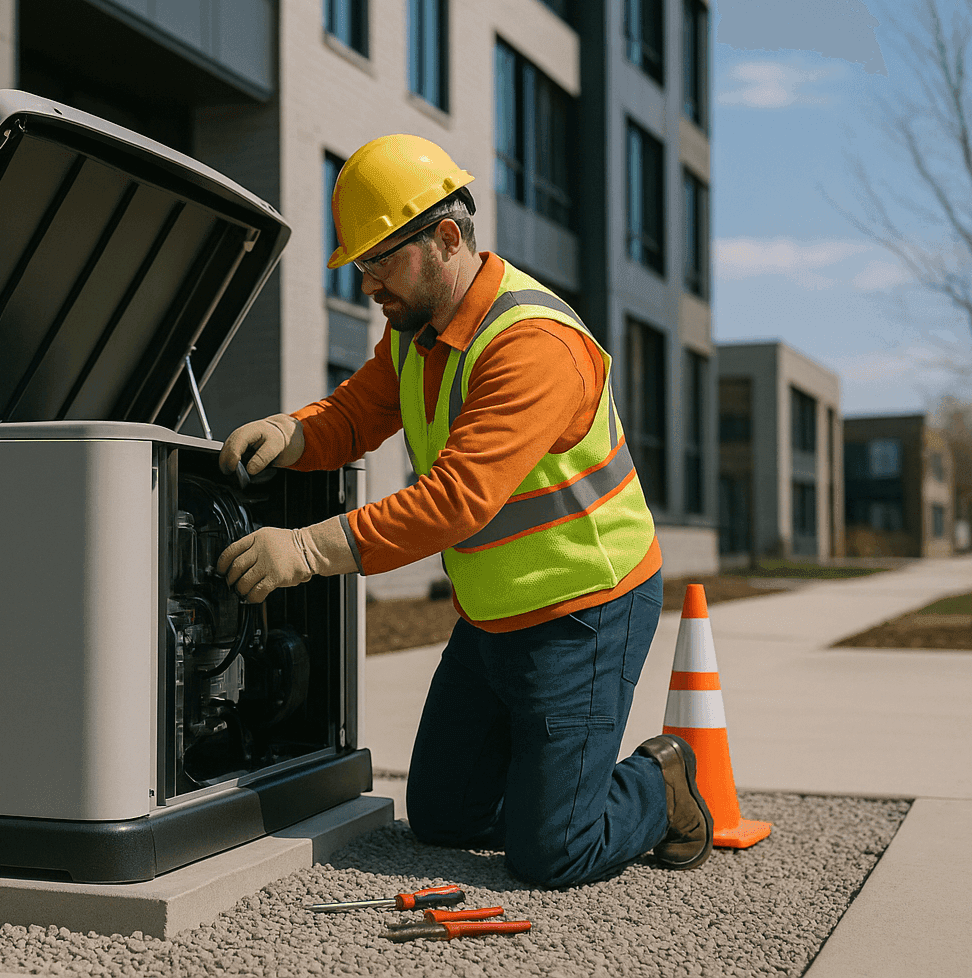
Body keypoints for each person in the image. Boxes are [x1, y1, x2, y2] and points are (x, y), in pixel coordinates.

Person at [214, 134, 713, 888]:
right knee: (444, 819)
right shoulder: (416, 331)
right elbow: (356, 414)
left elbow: (457, 500)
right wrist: (291, 433)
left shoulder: (532, 342)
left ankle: (658, 781)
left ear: (446, 239)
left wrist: (309, 551)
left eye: (380, 262)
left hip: (582, 611)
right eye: (360, 267)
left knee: (553, 854)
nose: (369, 285)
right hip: (493, 619)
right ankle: (557, 780)